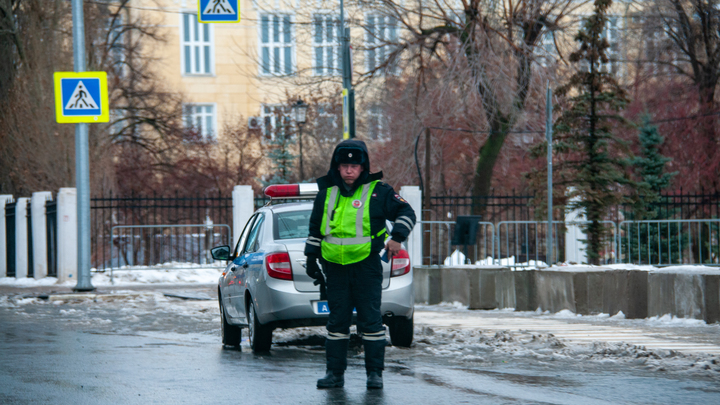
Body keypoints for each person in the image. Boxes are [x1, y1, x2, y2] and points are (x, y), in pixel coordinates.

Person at [304, 139, 416, 389]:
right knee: (336, 322)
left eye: (354, 166)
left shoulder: (379, 191)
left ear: (363, 167)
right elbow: (315, 229)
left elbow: (407, 213)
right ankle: (334, 374)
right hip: (334, 268)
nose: (349, 170)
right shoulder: (327, 193)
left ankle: (374, 374)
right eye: (344, 165)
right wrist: (311, 258)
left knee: (371, 322)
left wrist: (397, 237)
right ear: (337, 167)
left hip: (366, 266)